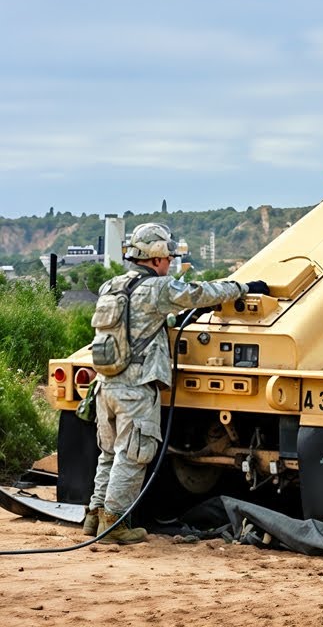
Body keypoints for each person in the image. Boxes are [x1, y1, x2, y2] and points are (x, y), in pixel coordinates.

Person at [84, 223, 268, 544]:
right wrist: (244, 287)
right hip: (136, 388)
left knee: (110, 454)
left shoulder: (113, 286)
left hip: (105, 386)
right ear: (156, 259)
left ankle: (94, 516)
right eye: (168, 257)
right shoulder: (158, 288)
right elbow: (201, 293)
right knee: (133, 454)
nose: (169, 263)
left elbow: (137, 325)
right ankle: (114, 524)